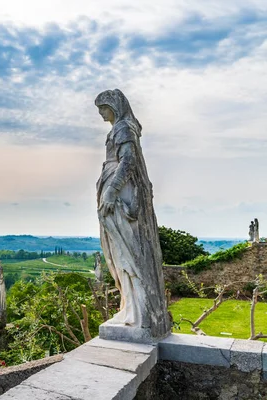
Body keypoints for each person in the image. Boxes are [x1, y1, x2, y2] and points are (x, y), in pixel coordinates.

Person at [95, 89, 170, 338]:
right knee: (119, 254)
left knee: (128, 252)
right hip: (116, 190)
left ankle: (138, 312)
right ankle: (130, 307)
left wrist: (111, 191)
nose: (100, 112)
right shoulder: (119, 128)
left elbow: (128, 162)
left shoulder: (124, 128)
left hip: (122, 195)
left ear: (113, 107)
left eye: (102, 107)